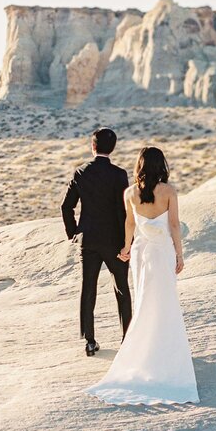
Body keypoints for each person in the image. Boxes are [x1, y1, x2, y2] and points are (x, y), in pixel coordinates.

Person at [86, 146, 199, 405]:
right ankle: (163, 355)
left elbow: (130, 223)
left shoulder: (130, 193)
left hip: (141, 253)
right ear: (162, 166)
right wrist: (180, 255)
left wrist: (126, 248)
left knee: (144, 302)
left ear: (139, 166)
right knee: (165, 302)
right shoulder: (169, 192)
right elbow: (173, 225)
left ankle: (142, 353)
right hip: (162, 253)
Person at [61, 127, 131, 356]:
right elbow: (124, 211)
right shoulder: (119, 175)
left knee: (88, 288)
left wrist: (73, 233)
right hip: (114, 240)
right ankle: (127, 338)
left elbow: (66, 206)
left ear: (93, 146)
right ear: (113, 148)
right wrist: (126, 242)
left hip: (89, 240)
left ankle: (90, 341)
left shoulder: (81, 173)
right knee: (121, 288)